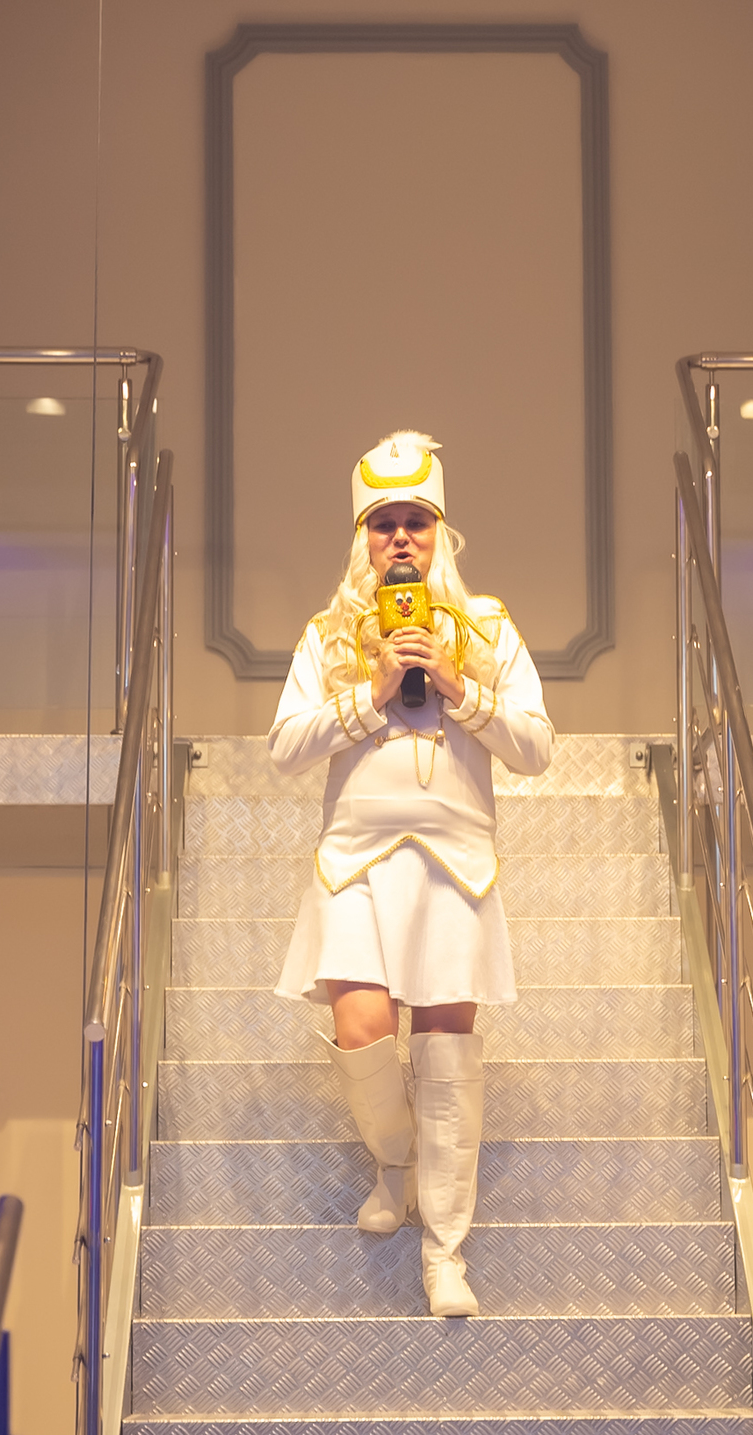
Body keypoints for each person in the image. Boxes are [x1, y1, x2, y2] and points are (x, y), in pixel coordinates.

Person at [268, 431, 554, 1317]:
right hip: (354, 859)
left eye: (415, 522)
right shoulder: (328, 636)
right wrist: (373, 693)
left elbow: (537, 748)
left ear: (440, 534)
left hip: (455, 866)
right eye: (384, 522)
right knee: (361, 1029)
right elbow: (284, 748)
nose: (400, 538)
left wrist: (459, 687)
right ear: (363, 537)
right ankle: (396, 1162)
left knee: (445, 1046)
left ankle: (445, 1251)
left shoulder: (487, 628)